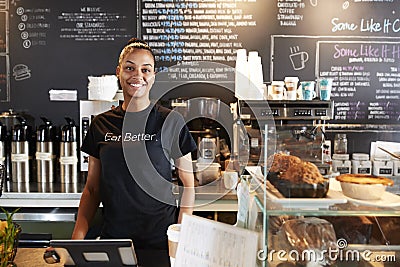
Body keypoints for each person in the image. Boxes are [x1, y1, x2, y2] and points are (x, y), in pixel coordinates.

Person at [71, 38, 197, 251]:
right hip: (114, 239)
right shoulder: (101, 124)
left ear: (153, 76)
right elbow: (92, 189)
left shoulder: (170, 121)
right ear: (119, 72)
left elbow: (189, 184)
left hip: (160, 241)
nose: (137, 75)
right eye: (130, 68)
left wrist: (180, 236)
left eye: (145, 70)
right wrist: (74, 242)